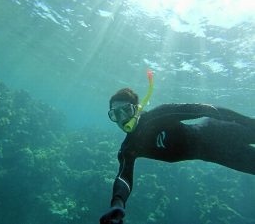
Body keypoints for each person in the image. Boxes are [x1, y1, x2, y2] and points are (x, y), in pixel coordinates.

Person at [99, 87, 255, 224]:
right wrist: (117, 205)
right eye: (115, 114)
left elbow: (207, 109)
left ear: (137, 109)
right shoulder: (129, 148)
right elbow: (123, 177)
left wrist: (248, 122)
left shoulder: (160, 114)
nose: (122, 119)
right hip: (220, 155)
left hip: (223, 131)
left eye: (126, 110)